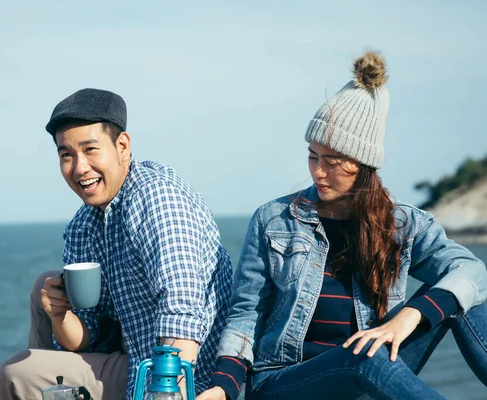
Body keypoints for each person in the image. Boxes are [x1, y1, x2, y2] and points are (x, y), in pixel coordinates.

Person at [197, 51, 487, 400]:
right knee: (362, 356)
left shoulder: (403, 224)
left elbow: (471, 270)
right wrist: (224, 386)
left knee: (464, 296)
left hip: (368, 372)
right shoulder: (273, 220)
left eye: (332, 161)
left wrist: (410, 314)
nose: (318, 171)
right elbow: (246, 313)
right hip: (285, 381)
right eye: (312, 156)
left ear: (363, 164)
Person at [0, 88, 233, 400]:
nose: (79, 167)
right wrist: (60, 316)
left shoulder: (157, 199)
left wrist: (168, 393)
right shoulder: (83, 225)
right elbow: (85, 337)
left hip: (176, 377)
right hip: (130, 359)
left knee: (17, 374)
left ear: (122, 146)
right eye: (66, 154)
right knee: (43, 286)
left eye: (90, 149)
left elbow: (181, 309)